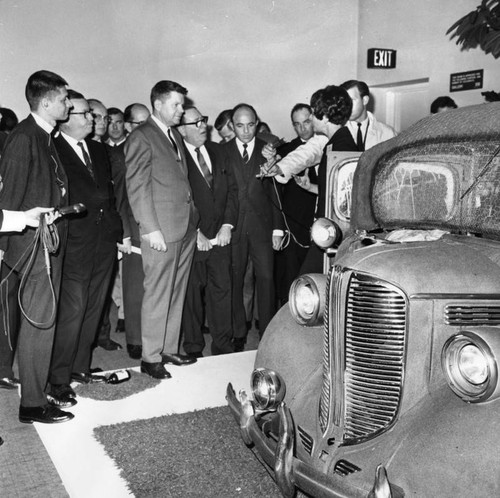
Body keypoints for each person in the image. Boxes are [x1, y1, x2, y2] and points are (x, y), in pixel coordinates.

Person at [0, 69, 72, 424]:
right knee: (39, 322)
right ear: (46, 102)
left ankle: (36, 394)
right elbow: (8, 199)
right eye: (63, 98)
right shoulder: (24, 138)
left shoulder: (44, 136)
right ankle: (31, 403)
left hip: (44, 240)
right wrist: (5, 248)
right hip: (30, 246)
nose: (68, 104)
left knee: (44, 321)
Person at [47, 90, 122, 408]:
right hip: (75, 242)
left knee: (94, 307)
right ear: (66, 118)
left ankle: (79, 368)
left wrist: (117, 232)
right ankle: (59, 379)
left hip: (104, 241)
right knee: (73, 311)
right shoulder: (53, 149)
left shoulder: (98, 149)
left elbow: (107, 193)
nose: (93, 119)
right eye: (86, 114)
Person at [125, 80, 199, 379]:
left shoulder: (173, 136)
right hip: (161, 230)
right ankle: (150, 356)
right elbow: (137, 186)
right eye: (176, 104)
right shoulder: (142, 137)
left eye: (182, 104)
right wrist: (150, 228)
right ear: (157, 104)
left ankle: (168, 347)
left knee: (176, 291)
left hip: (184, 226)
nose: (181, 110)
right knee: (157, 292)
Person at [223, 103, 284, 351]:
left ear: (256, 124)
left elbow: (276, 192)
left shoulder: (268, 152)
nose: (246, 131)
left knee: (266, 279)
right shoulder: (221, 151)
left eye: (250, 125)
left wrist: (278, 230)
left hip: (263, 227)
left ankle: (267, 332)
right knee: (236, 280)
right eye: (240, 125)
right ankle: (239, 331)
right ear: (232, 126)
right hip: (234, 227)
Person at [178, 107, 238, 357]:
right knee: (191, 296)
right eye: (196, 122)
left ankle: (222, 346)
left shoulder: (219, 151)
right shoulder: (175, 157)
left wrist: (227, 224)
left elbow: (232, 191)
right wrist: (194, 232)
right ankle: (193, 347)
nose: (204, 125)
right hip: (193, 239)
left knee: (222, 292)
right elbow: (177, 200)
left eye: (203, 120)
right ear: (181, 129)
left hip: (220, 238)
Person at [108, 102, 151, 360]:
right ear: (128, 126)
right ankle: (135, 340)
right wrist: (124, 231)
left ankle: (154, 338)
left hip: (156, 226)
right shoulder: (119, 155)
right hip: (133, 228)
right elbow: (119, 198)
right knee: (134, 289)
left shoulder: (157, 147)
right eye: (139, 123)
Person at [274, 103, 318, 303]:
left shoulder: (329, 145)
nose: (303, 128)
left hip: (321, 218)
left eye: (307, 122)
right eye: (297, 124)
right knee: (292, 273)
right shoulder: (284, 151)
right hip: (294, 221)